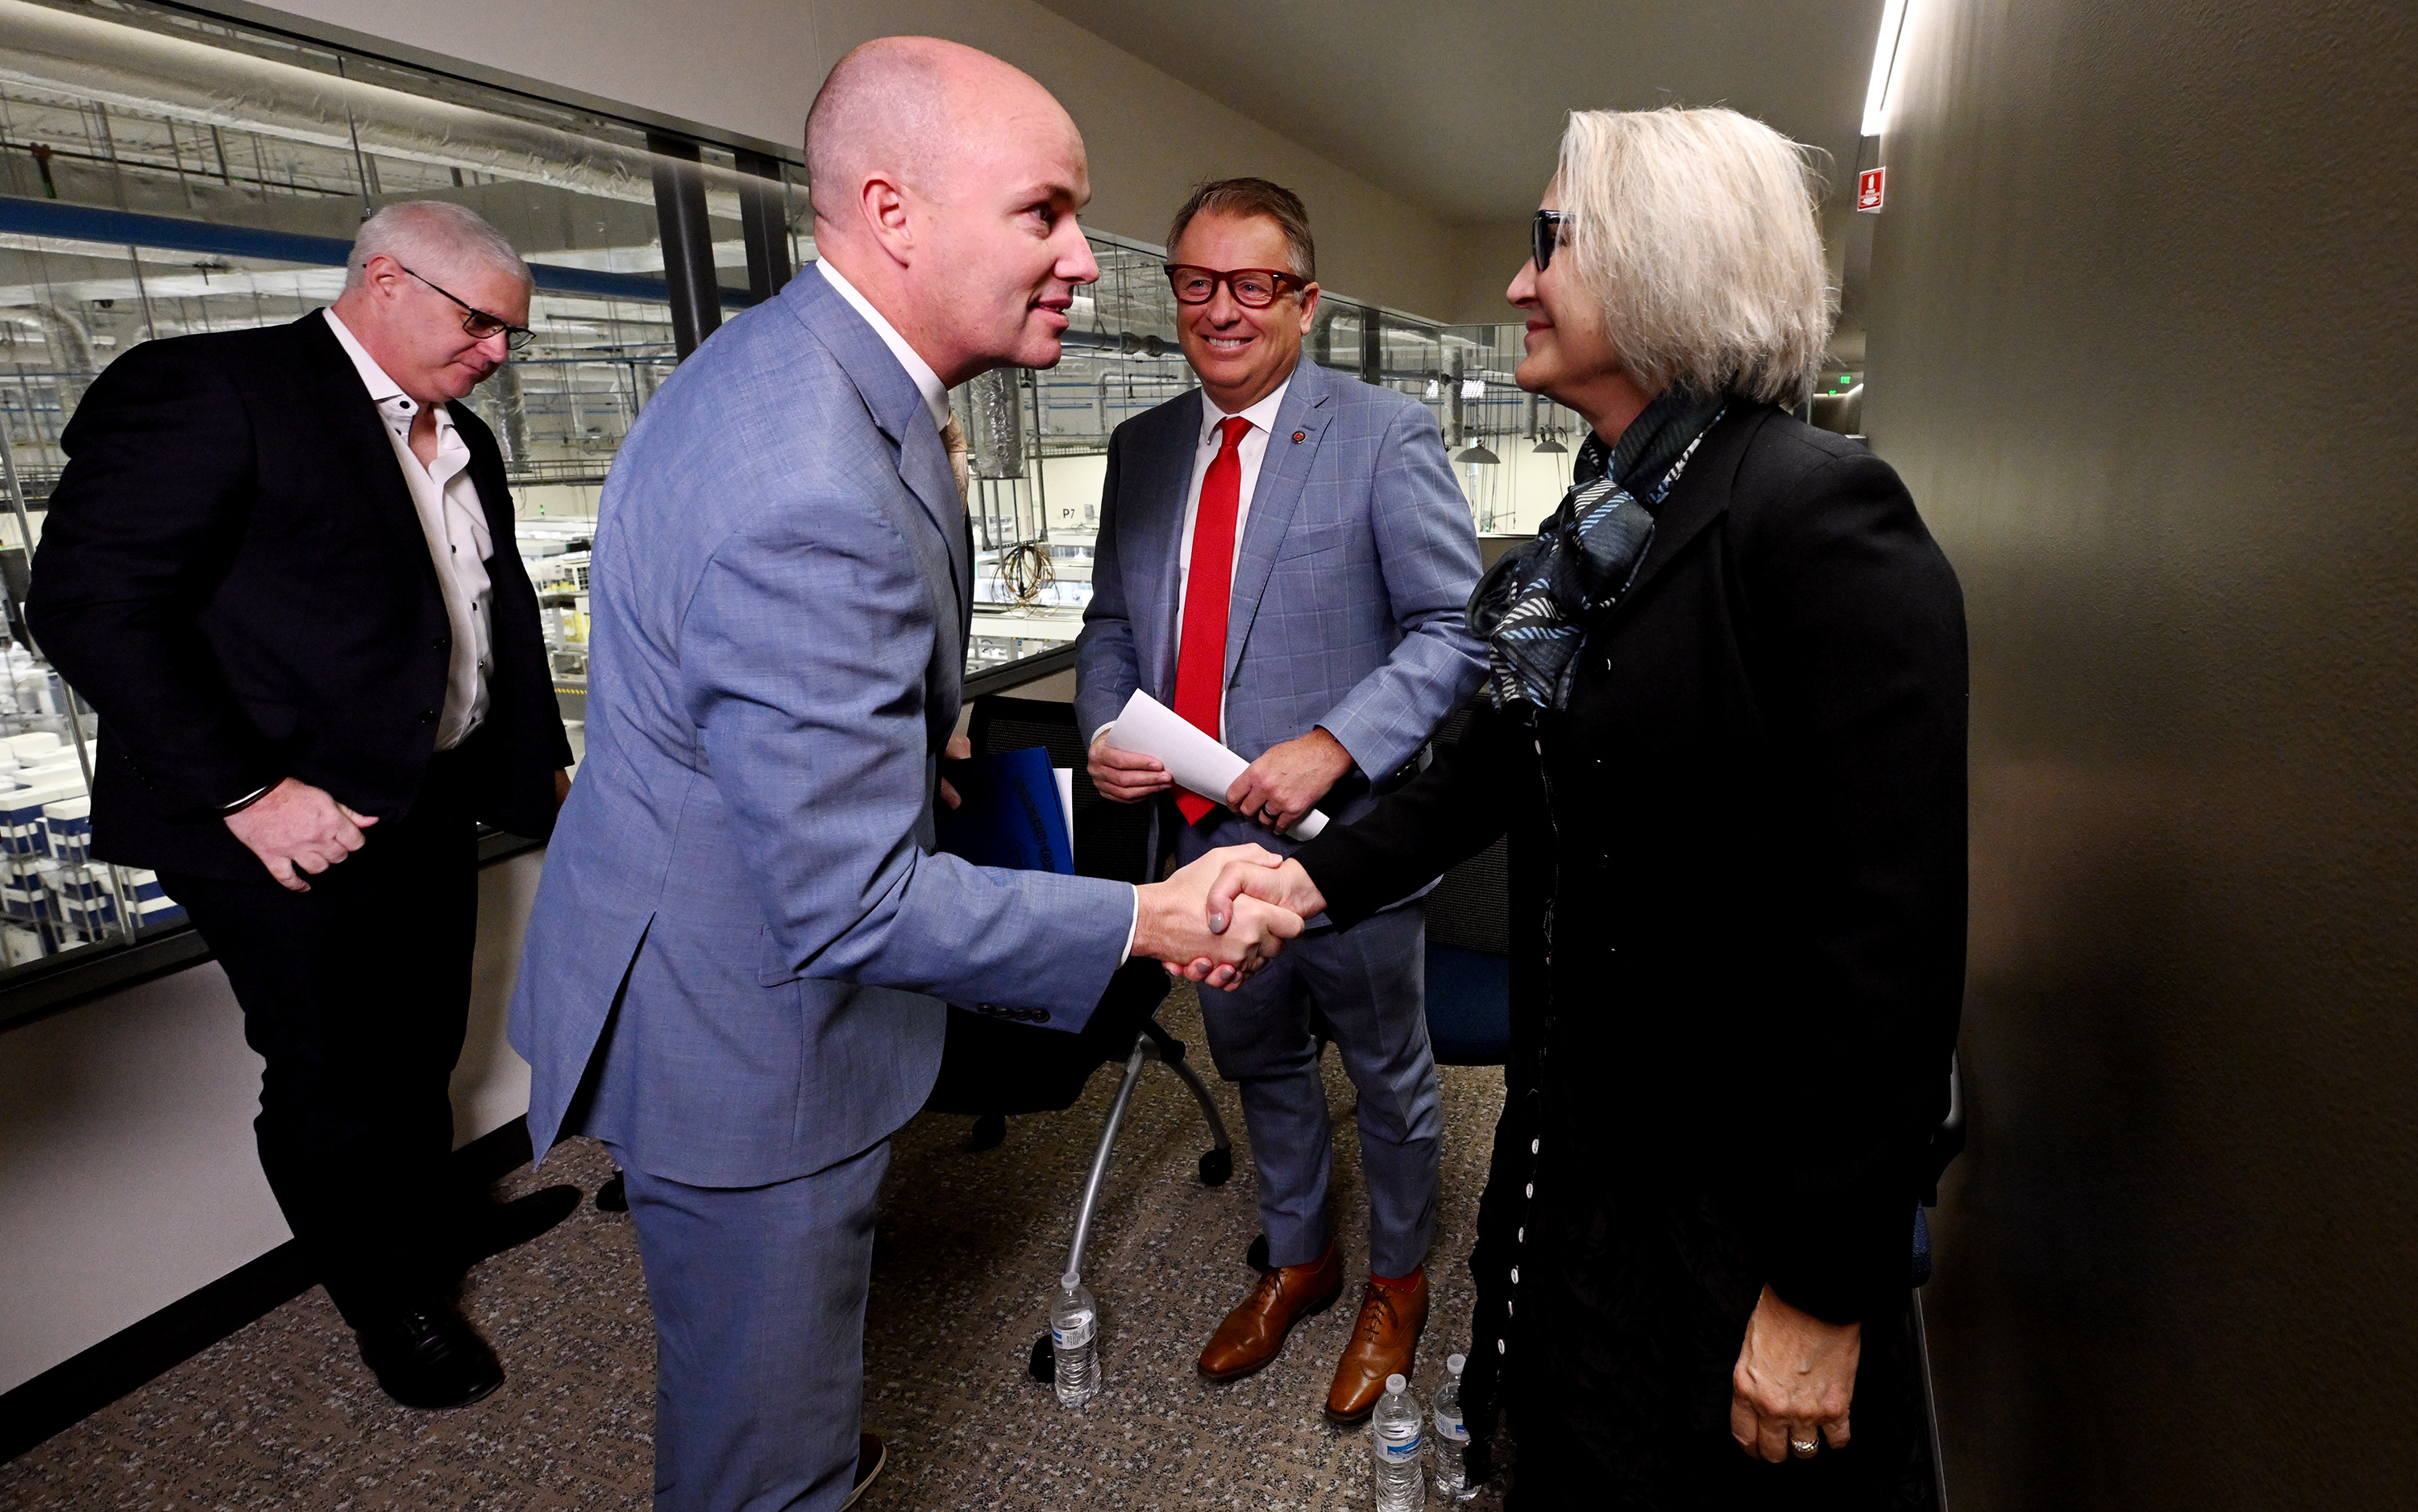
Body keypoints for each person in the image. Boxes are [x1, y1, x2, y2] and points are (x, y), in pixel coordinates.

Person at [506, 39, 1302, 1512]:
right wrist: (1149, 922)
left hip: (698, 956)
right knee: (762, 1462)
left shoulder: (787, 371)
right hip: (744, 1045)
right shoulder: (814, 475)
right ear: (894, 211)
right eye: (1045, 212)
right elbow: (851, 906)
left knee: (759, 1383)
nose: (1082, 258)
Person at [1205, 106, 1967, 1508]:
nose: (1517, 281)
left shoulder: (1818, 520)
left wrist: (1822, 1294)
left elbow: (1891, 960)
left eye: (1549, 242)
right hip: (1587, 1136)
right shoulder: (1610, 518)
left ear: (1664, 265)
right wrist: (1309, 882)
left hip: (1739, 1194)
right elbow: (1495, 765)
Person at [27, 200, 582, 1410]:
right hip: (268, 821)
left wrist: (536, 764)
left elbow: (495, 617)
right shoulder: (211, 388)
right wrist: (252, 792)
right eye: (481, 323)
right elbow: (86, 606)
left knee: (423, 1038)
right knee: (335, 1071)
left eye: (510, 335)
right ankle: (390, 1303)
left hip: (424, 793)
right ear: (384, 279)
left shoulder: (457, 436)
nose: (497, 351)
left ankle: (428, 1232)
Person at [1077, 177, 1484, 1423]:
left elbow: (1454, 629)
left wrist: (1335, 741)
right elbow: (1108, 622)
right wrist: (1103, 722)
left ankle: (1397, 1285)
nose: (1221, 309)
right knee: (1261, 1070)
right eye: (1196, 282)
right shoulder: (1142, 447)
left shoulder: (1382, 433)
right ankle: (1301, 1260)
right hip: (1201, 856)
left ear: (1303, 303)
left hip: (1343, 848)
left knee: (1391, 1076)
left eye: (1252, 284)